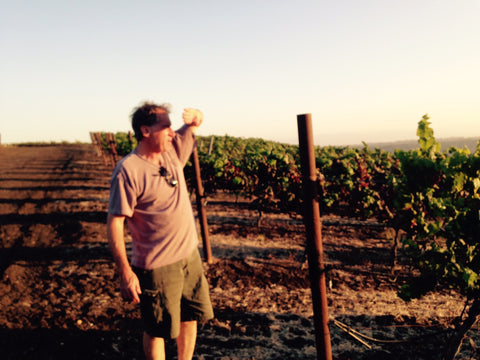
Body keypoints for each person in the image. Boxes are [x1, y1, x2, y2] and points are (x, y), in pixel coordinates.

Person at [107, 101, 214, 360]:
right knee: (157, 329)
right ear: (145, 131)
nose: (171, 131)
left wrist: (196, 117)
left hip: (189, 257)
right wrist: (125, 272)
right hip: (157, 267)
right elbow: (115, 222)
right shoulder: (128, 171)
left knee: (190, 317)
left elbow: (193, 125)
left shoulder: (172, 152)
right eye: (165, 126)